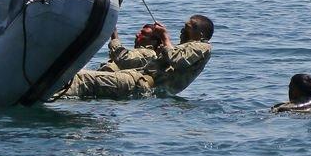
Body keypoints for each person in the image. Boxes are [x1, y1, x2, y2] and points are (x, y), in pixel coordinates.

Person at [58, 14, 214, 100]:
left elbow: (176, 59)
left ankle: (48, 91)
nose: (181, 31)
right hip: (136, 80)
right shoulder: (185, 48)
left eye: (186, 28)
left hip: (140, 84)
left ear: (199, 34)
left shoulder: (203, 47)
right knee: (81, 78)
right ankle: (54, 90)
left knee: (82, 79)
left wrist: (165, 36)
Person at [97, 25, 162, 72]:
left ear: (153, 42)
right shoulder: (137, 52)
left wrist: (114, 34)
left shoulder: (150, 53)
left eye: (143, 33)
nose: (137, 35)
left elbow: (124, 58)